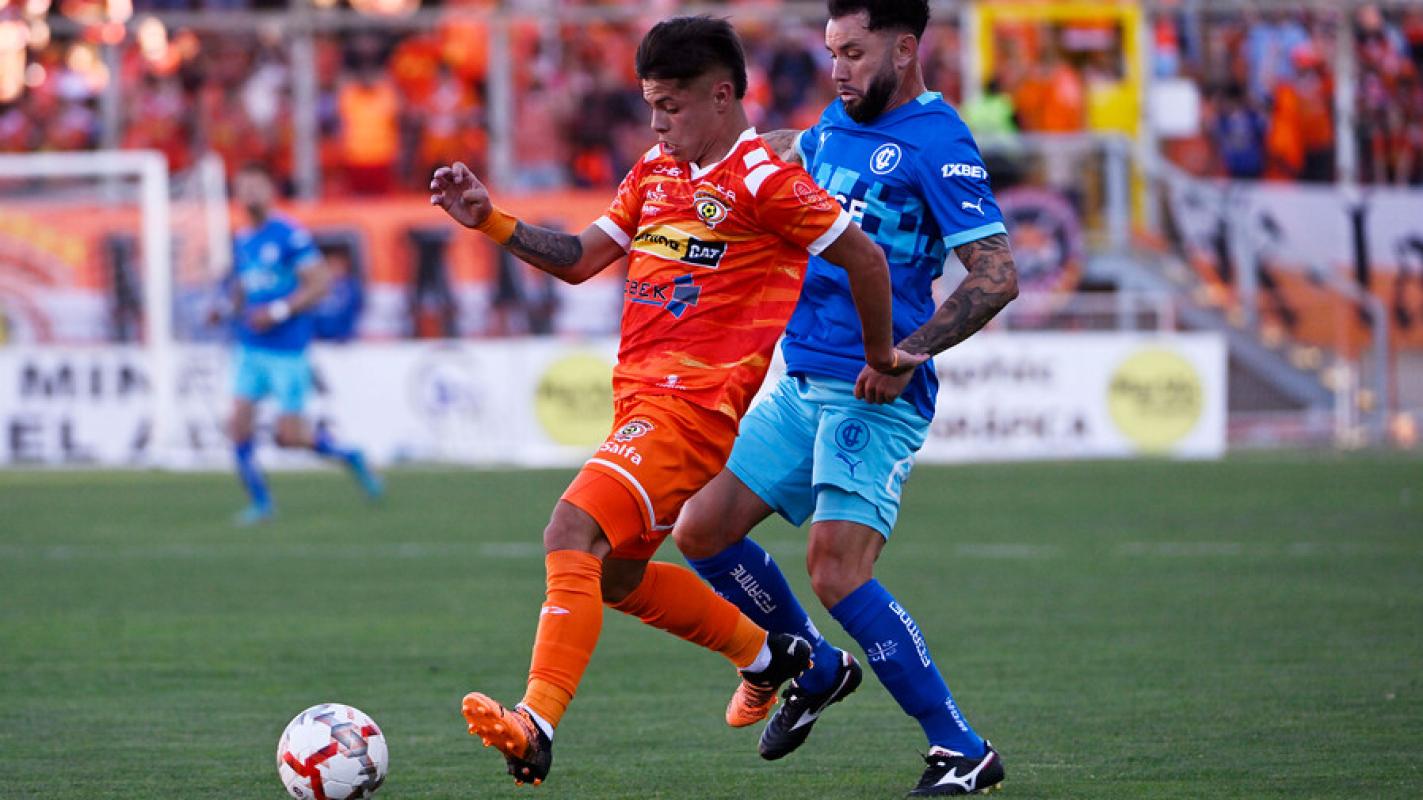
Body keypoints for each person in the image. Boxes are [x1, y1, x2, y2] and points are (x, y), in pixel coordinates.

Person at [428, 15, 924, 789]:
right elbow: (580, 259)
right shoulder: (655, 170)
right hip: (639, 407)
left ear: (721, 96)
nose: (657, 123)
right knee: (617, 579)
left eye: (671, 106)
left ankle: (536, 722)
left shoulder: (766, 182)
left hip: (690, 415)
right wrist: (488, 220)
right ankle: (774, 656)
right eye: (650, 106)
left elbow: (863, 257)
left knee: (570, 529)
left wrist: (880, 356)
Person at [672, 1, 1019, 796]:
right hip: (801, 382)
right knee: (701, 530)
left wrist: (908, 352)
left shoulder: (937, 142)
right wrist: (714, 150)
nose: (837, 70)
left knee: (835, 571)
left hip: (873, 389)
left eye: (854, 53)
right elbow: (799, 145)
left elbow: (997, 274)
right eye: (832, 52)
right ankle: (817, 667)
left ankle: (961, 749)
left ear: (904, 48)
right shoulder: (837, 120)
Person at [223, 162, 383, 525]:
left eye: (255, 186)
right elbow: (245, 286)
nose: (249, 194)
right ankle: (262, 504)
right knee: (238, 426)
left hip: (288, 350)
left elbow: (320, 283)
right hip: (251, 347)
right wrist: (226, 308)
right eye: (242, 188)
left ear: (270, 191)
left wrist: (278, 311)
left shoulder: (289, 235)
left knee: (290, 437)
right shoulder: (243, 239)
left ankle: (351, 456)